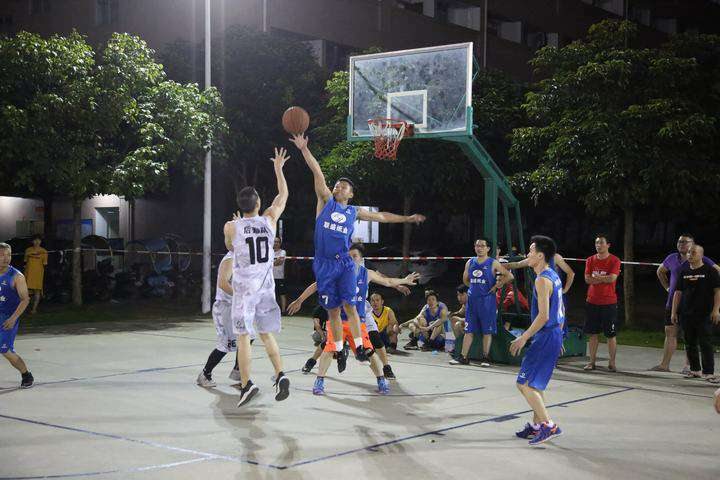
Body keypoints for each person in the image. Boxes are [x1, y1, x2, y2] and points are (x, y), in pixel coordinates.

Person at [290, 133, 425, 370]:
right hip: (323, 263)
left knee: (350, 306)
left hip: (343, 262)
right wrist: (304, 149)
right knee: (333, 311)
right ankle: (339, 349)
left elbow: (381, 216)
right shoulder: (325, 202)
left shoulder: (353, 212)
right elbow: (317, 172)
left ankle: (361, 346)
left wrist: (406, 218)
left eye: (343, 186)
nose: (338, 186)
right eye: (337, 184)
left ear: (350, 194)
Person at [288, 243, 418, 391]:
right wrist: (299, 300)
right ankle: (319, 381)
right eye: (348, 257)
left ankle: (381, 379)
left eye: (354, 256)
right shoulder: (337, 272)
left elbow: (387, 281)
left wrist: (404, 280)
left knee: (369, 351)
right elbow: (317, 285)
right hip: (338, 321)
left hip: (357, 322)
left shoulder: (366, 273)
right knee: (329, 349)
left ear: (360, 259)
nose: (350, 259)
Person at [223, 147, 290, 407]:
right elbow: (283, 195)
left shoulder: (231, 227)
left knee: (243, 337)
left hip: (245, 292)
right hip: (266, 289)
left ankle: (246, 384)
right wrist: (278, 169)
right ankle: (280, 374)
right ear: (259, 204)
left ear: (240, 206)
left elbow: (230, 247)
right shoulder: (269, 220)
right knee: (266, 334)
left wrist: (237, 228)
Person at [510, 235, 565, 445]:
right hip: (553, 335)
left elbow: (544, 316)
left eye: (531, 251)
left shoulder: (542, 280)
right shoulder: (553, 275)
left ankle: (549, 426)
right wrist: (559, 337)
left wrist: (523, 337)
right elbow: (561, 309)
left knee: (524, 384)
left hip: (545, 335)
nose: (528, 254)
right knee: (536, 385)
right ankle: (536, 426)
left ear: (540, 256)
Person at [653, 234, 720, 373]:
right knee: (671, 333)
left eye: (684, 241)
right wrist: (667, 288)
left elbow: (717, 271)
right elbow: (660, 271)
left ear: (693, 244)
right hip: (673, 303)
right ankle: (664, 365)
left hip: (692, 305)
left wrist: (708, 293)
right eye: (679, 241)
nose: (681, 244)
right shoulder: (672, 258)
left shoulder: (701, 258)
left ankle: (689, 367)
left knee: (692, 336)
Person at [450, 238, 514, 366]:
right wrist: (474, 289)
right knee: (469, 330)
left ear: (488, 248)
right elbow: (465, 280)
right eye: (477, 245)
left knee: (487, 331)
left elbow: (509, 276)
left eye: (482, 246)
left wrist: (497, 286)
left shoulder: (493, 263)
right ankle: (463, 357)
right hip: (472, 301)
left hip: (487, 302)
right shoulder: (470, 262)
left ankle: (485, 358)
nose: (479, 248)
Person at [196, 252, 247, 387]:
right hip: (225, 307)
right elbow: (223, 283)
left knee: (248, 337)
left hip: (235, 307)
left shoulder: (242, 258)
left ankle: (238, 372)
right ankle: (205, 375)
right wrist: (240, 296)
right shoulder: (230, 259)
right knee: (225, 345)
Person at [670, 245, 720, 382]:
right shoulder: (684, 271)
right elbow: (678, 293)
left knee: (705, 343)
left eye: (693, 252)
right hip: (686, 313)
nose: (690, 255)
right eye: (689, 253)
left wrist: (716, 310)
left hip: (704, 313)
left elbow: (717, 291)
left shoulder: (710, 271)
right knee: (689, 342)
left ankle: (708, 372)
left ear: (701, 255)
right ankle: (695, 370)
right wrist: (674, 312)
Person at [583, 235, 621, 372]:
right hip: (592, 301)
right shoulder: (590, 260)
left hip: (608, 302)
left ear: (608, 245)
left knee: (610, 334)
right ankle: (592, 362)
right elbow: (587, 279)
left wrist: (598, 278)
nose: (598, 245)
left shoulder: (614, 260)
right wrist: (603, 278)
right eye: (596, 243)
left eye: (601, 243)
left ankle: (612, 363)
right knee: (592, 333)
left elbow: (612, 278)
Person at [0, 242, 33, 389]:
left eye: (8, 255)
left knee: (5, 350)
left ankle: (26, 375)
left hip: (8, 318)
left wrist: (13, 319)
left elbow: (25, 299)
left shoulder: (16, 277)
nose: (6, 258)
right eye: (2, 255)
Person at [300, 303, 329, 374]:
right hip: (326, 332)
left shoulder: (339, 307)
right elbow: (317, 325)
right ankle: (311, 362)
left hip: (338, 332)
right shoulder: (319, 309)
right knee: (325, 343)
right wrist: (323, 337)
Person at [23, 235, 48, 315]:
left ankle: (34, 309)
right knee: (25, 291)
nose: (37, 242)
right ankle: (24, 308)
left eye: (39, 240)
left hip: (38, 274)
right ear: (32, 241)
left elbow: (45, 264)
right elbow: (25, 262)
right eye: (35, 240)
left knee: (37, 290)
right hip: (28, 273)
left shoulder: (44, 251)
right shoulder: (28, 250)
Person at [273, 237, 288, 312]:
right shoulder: (269, 252)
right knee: (271, 295)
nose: (276, 243)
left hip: (279, 277)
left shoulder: (283, 252)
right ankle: (272, 311)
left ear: (280, 243)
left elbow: (279, 263)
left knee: (282, 294)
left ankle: (283, 311)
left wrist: (270, 263)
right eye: (275, 241)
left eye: (277, 242)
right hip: (270, 277)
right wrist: (275, 262)